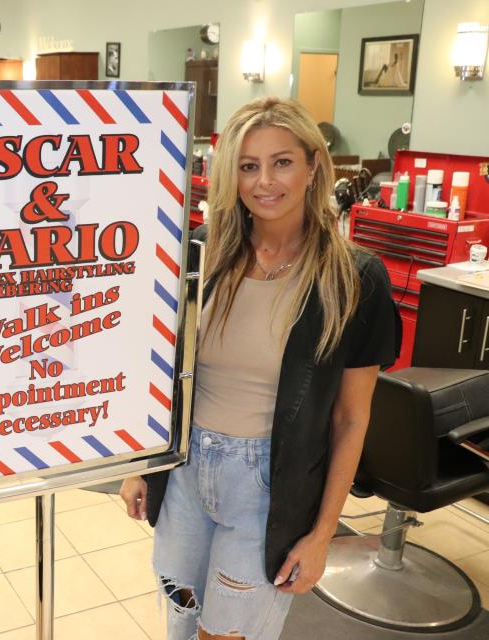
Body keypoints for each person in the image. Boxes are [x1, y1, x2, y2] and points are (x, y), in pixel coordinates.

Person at [120, 96, 399, 640]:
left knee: (226, 635)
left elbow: (350, 420)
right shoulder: (204, 253)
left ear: (313, 165)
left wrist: (322, 534)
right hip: (184, 472)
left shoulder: (354, 278)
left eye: (282, 162)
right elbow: (166, 375)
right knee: (180, 620)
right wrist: (142, 463)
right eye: (249, 166)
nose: (264, 181)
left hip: (267, 486)